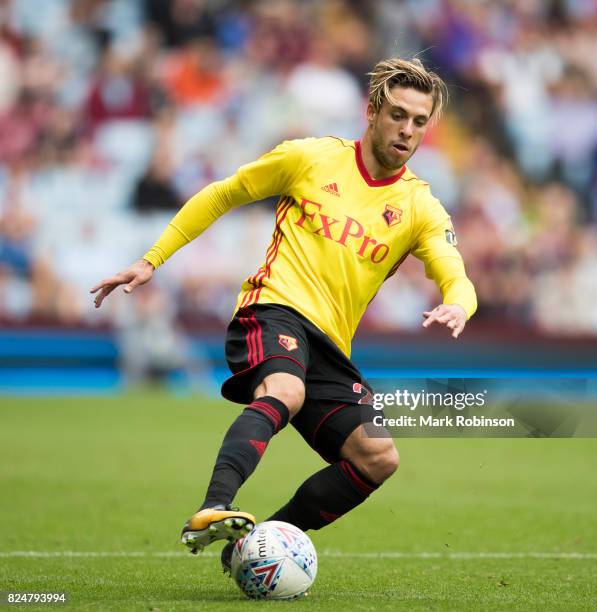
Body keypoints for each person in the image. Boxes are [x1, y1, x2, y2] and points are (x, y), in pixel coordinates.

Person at [91, 57, 477, 570]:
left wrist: (457, 303)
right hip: (273, 309)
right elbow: (226, 192)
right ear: (372, 111)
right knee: (286, 392)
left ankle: (252, 548)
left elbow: (457, 274)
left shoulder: (420, 207)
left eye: (419, 122)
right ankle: (212, 508)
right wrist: (150, 260)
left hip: (330, 347)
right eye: (398, 115)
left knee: (378, 456)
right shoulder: (310, 158)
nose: (407, 130)